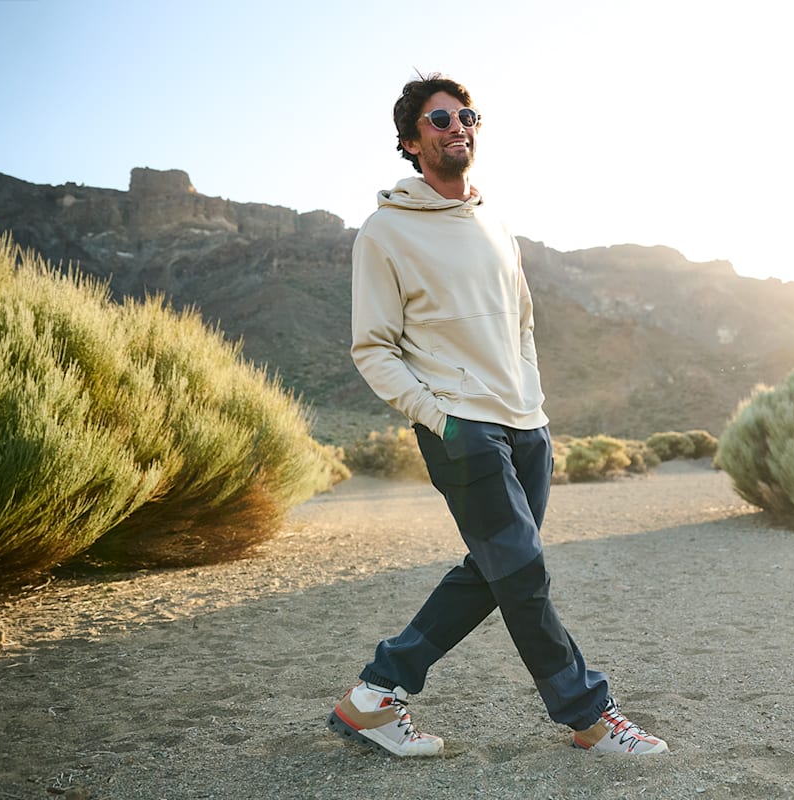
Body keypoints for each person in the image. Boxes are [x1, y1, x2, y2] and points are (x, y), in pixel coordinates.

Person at [327, 72, 669, 758]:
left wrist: (532, 403)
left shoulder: (493, 223)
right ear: (411, 142)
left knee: (497, 569)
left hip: (525, 424)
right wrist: (440, 418)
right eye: (440, 120)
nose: (458, 127)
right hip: (462, 428)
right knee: (522, 572)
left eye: (467, 116)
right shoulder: (385, 232)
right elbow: (373, 348)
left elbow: (522, 324)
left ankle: (374, 696)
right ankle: (589, 716)